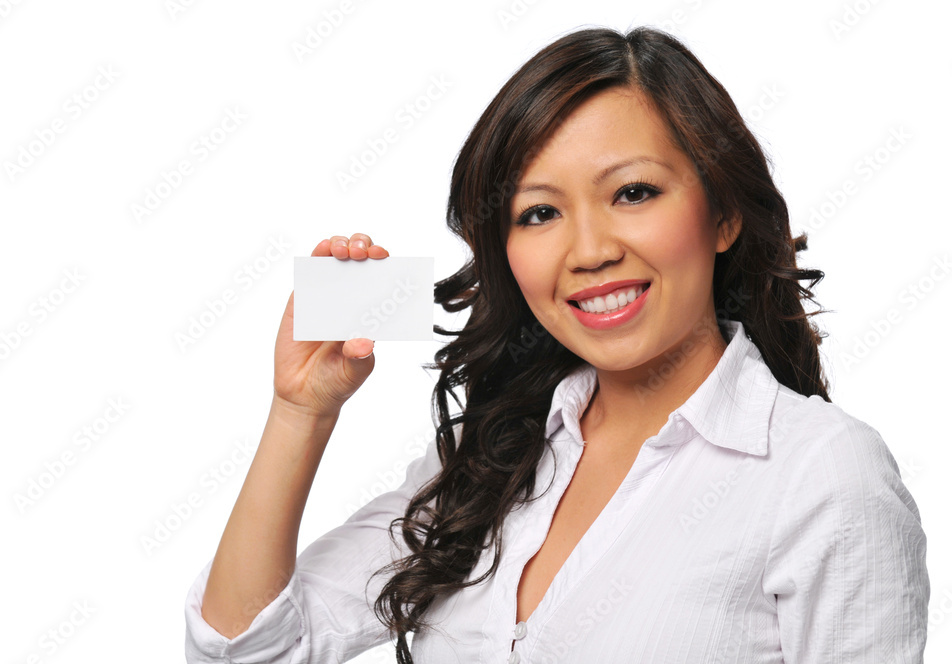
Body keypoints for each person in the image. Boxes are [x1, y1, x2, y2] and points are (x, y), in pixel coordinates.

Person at [184, 25, 930, 664]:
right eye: (539, 213)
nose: (590, 250)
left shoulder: (821, 474)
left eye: (633, 192)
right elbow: (248, 650)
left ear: (724, 214)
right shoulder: (488, 460)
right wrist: (301, 412)